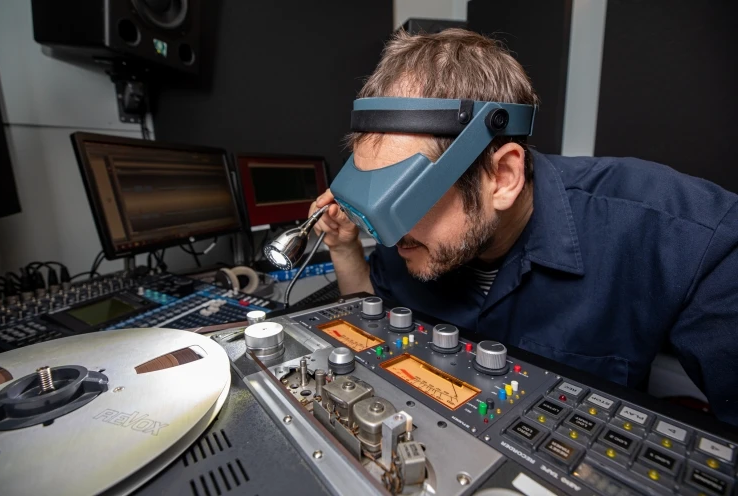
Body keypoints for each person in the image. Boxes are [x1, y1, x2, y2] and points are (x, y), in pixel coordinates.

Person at [309, 29, 738, 425]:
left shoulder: (676, 232)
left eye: (402, 200)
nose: (385, 230)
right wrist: (345, 247)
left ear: (503, 176)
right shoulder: (406, 235)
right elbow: (370, 322)